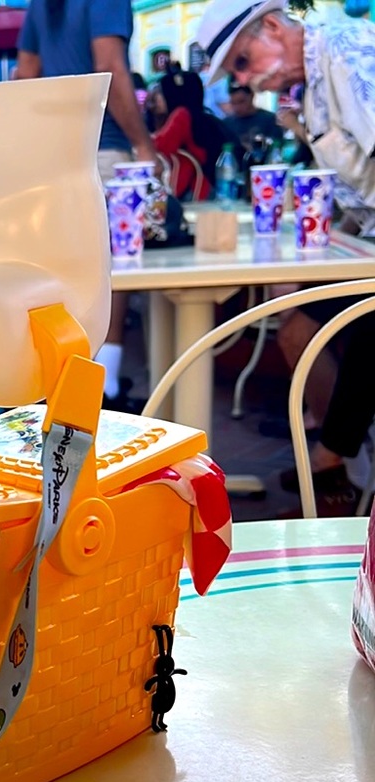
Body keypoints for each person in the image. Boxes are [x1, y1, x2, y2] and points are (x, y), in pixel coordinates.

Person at [198, 0, 375, 513]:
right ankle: (344, 464)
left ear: (273, 27)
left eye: (243, 62)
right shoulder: (312, 80)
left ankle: (327, 459)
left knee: (362, 323)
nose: (248, 82)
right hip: (365, 244)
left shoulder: (346, 48)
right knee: (295, 319)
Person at [16, 0, 159, 410]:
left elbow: (25, 74)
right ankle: (105, 385)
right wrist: (143, 143)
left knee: (65, 272)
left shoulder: (40, 6)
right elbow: (110, 67)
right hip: (104, 148)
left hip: (55, 154)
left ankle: (67, 385)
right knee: (113, 268)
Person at [152, 65, 226, 200]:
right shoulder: (206, 118)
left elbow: (161, 146)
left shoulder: (181, 115)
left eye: (161, 93)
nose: (156, 99)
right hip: (212, 186)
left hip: (195, 190)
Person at [224, 83, 283, 154]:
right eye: (233, 103)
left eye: (241, 101)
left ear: (252, 96)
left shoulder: (270, 119)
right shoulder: (226, 124)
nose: (237, 108)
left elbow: (276, 146)